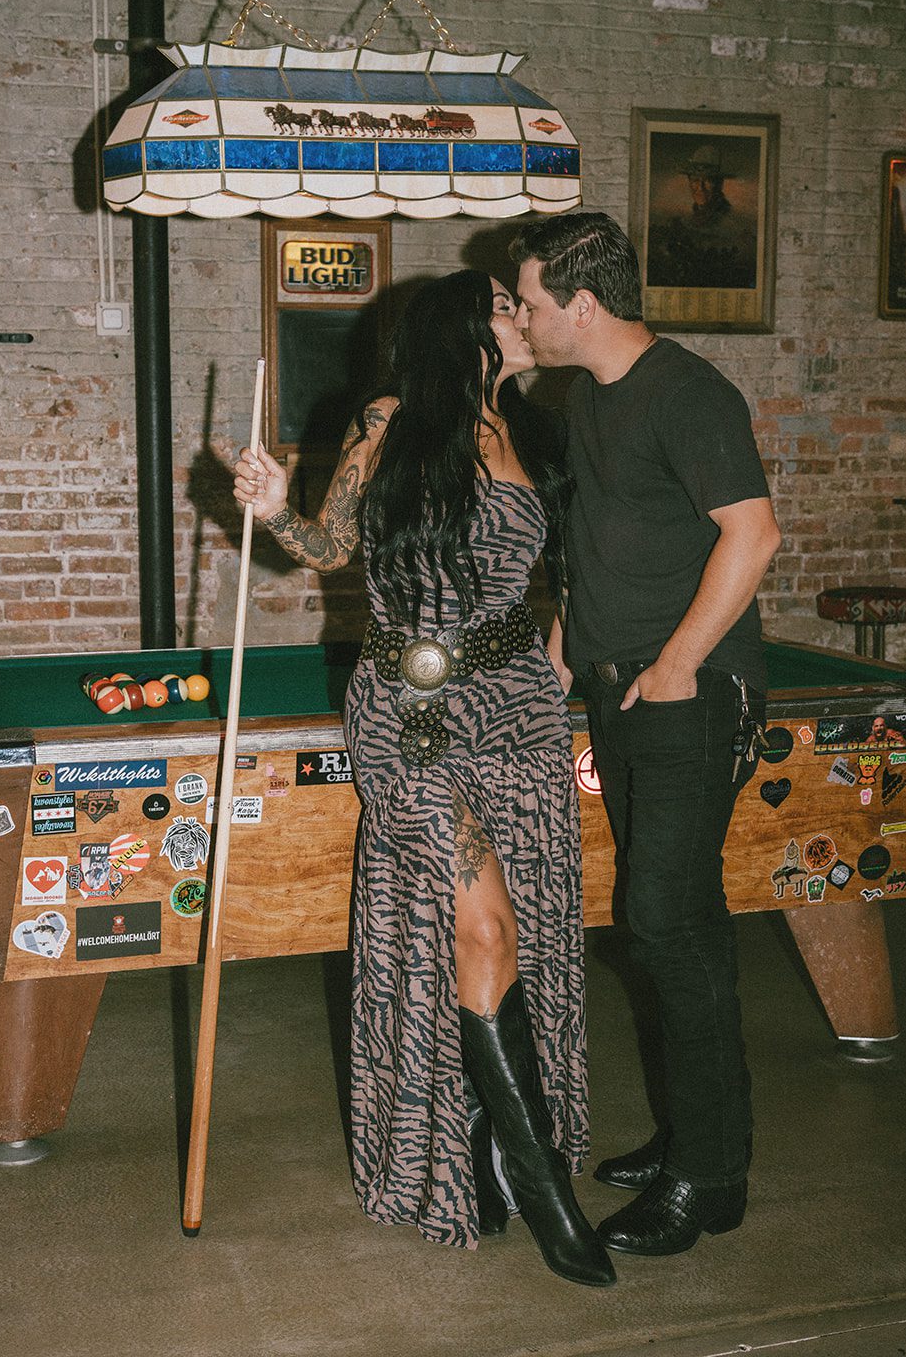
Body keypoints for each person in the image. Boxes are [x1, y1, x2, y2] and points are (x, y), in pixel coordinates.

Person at [233, 269, 615, 1285]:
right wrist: (276, 508)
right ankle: (547, 1195)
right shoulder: (394, 418)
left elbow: (569, 573)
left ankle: (499, 1142)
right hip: (414, 714)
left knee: (519, 929)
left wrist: (561, 669)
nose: (526, 319)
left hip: (521, 707)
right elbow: (328, 544)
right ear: (465, 326)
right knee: (481, 923)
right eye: (508, 306)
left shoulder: (537, 430)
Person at [508, 211, 781, 1258]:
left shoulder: (691, 392)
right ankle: (692, 1139)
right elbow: (593, 538)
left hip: (690, 697)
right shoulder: (584, 399)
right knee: (668, 924)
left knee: (668, 921)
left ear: (582, 302)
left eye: (532, 303)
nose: (524, 321)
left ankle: (707, 1178)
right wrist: (566, 652)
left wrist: (675, 666)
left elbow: (753, 534)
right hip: (617, 698)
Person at [647, 143, 759, 290]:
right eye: (695, 180)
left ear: (719, 184)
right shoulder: (683, 222)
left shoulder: (734, 224)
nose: (700, 188)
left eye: (707, 180)